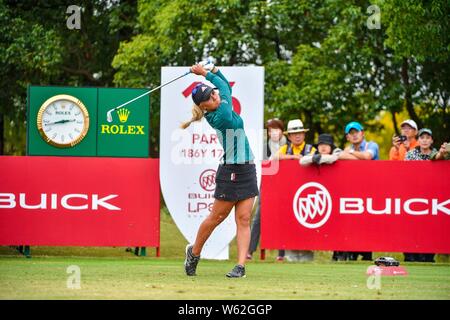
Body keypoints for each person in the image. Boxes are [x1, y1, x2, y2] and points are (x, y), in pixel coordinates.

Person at [181, 61, 258, 278]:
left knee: (243, 219)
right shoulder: (221, 115)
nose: (214, 97)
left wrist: (214, 70)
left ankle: (241, 267)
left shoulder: (219, 105)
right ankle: (194, 253)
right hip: (230, 171)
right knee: (216, 218)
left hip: (247, 168)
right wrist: (206, 72)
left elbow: (223, 87)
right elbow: (225, 89)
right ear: (204, 106)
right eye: (209, 98)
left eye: (212, 94)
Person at [275, 119, 316, 262]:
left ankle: (307, 254)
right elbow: (274, 157)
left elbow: (315, 159)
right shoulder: (285, 149)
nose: (297, 136)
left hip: (306, 192)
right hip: (289, 193)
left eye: (299, 133)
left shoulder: (311, 149)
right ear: (289, 137)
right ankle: (286, 255)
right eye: (294, 133)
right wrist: (293, 157)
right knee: (288, 223)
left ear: (304, 135)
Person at [247, 118, 287, 261]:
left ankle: (281, 254)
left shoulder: (288, 145)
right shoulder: (266, 146)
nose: (273, 133)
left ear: (282, 130)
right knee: (258, 217)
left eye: (276, 129)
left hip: (286, 186)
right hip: (268, 184)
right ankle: (249, 250)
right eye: (270, 130)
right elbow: (267, 167)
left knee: (282, 217)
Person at [338, 121, 379, 261]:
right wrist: (353, 155)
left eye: (356, 132)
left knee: (368, 226)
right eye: (351, 133)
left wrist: (350, 154)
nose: (354, 135)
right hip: (353, 191)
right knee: (353, 224)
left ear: (363, 133)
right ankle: (353, 253)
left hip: (372, 191)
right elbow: (340, 157)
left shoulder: (372, 145)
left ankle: (367, 254)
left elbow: (368, 156)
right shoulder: (347, 149)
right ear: (347, 137)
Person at [404, 128, 438, 263]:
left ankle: (428, 255)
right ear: (418, 140)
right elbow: (405, 173)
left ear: (431, 140)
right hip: (413, 194)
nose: (424, 140)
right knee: (412, 225)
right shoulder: (411, 154)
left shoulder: (437, 154)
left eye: (427, 137)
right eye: (422, 137)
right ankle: (410, 254)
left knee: (430, 226)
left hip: (432, 194)